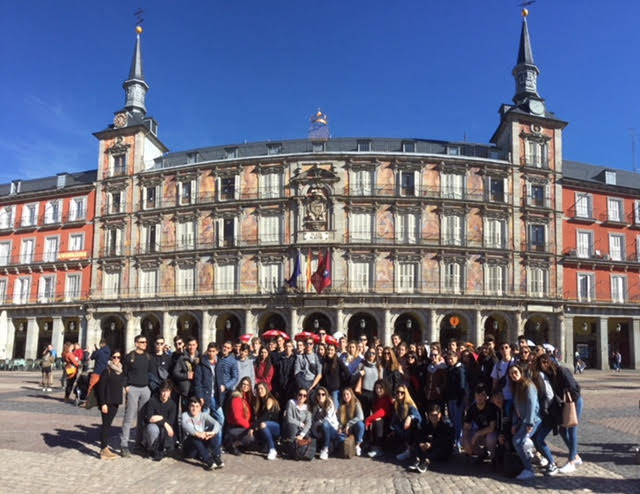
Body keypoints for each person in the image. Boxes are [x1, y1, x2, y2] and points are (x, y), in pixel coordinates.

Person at [533, 353, 583, 475]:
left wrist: (567, 397)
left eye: (544, 362)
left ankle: (572, 461)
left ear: (549, 361)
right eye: (540, 364)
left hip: (573, 402)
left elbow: (576, 389)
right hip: (564, 404)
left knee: (571, 429)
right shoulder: (548, 375)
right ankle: (575, 455)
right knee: (562, 430)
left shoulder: (562, 370)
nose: (543, 366)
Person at [120, 334, 153, 457]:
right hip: (133, 388)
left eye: (145, 342)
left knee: (143, 418)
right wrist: (126, 386)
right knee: (129, 417)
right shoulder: (130, 356)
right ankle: (124, 444)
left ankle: (139, 444)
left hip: (145, 389)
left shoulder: (148, 357)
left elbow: (151, 372)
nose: (145, 344)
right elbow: (125, 372)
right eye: (142, 342)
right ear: (136, 343)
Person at [509, 364, 541, 480]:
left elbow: (532, 405)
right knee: (518, 441)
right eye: (511, 373)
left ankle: (529, 469)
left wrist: (529, 423)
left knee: (518, 441)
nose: (513, 375)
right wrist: (514, 423)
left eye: (515, 372)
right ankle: (528, 464)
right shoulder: (517, 386)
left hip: (533, 420)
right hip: (522, 420)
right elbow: (516, 408)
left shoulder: (529, 386)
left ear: (521, 372)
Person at [96, 350, 125, 460]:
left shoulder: (120, 371)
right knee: (106, 425)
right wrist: (103, 403)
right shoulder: (106, 371)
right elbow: (101, 388)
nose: (116, 359)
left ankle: (105, 448)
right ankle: (104, 449)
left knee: (108, 424)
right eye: (114, 357)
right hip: (107, 402)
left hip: (115, 402)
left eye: (118, 357)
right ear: (111, 358)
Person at [408, 403, 454, 473]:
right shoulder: (428, 424)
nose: (433, 417)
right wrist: (421, 443)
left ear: (440, 414)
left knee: (440, 446)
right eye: (431, 415)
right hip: (431, 447)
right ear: (428, 416)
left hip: (444, 451)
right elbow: (420, 434)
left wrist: (431, 444)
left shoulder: (446, 424)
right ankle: (417, 460)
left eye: (435, 415)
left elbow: (444, 440)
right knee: (417, 440)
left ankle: (426, 462)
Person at [181, 397, 224, 470]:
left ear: (200, 408)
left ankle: (217, 457)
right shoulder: (185, 415)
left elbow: (216, 424)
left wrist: (212, 433)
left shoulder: (203, 415)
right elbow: (185, 426)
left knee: (214, 434)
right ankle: (208, 460)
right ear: (189, 407)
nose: (194, 409)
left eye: (197, 406)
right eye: (192, 406)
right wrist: (197, 433)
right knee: (194, 437)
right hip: (190, 447)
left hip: (201, 444)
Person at [462, 384, 498, 461]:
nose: (479, 397)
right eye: (477, 395)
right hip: (480, 433)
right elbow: (466, 427)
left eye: (482, 395)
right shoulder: (471, 409)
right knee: (464, 439)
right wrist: (465, 440)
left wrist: (477, 434)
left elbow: (492, 428)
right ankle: (482, 454)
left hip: (491, 433)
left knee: (491, 438)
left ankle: (494, 458)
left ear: (486, 397)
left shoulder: (491, 407)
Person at [142, 382, 177, 460]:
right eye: (163, 391)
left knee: (166, 430)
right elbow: (149, 418)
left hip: (164, 427)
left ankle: (161, 449)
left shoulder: (172, 405)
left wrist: (160, 418)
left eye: (167, 391)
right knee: (153, 429)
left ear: (170, 392)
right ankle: (151, 448)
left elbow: (170, 421)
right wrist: (164, 422)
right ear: (160, 391)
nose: (165, 394)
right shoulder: (152, 401)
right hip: (153, 426)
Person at [195, 342, 224, 425]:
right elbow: (198, 382)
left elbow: (221, 378)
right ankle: (204, 437)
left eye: (213, 351)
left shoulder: (219, 363)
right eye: (209, 351)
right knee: (204, 420)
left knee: (221, 418)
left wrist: (223, 385)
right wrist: (200, 396)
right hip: (206, 395)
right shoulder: (201, 364)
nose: (211, 353)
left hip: (216, 396)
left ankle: (217, 437)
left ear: (217, 352)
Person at [391, 384, 422, 461]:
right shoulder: (397, 404)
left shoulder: (410, 404)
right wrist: (392, 427)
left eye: (402, 392)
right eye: (398, 392)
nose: (399, 394)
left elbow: (419, 417)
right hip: (400, 430)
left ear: (406, 393)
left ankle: (409, 450)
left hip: (409, 430)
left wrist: (410, 417)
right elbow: (394, 419)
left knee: (412, 424)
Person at [225, 377, 255, 455]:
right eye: (244, 384)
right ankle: (231, 445)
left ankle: (239, 444)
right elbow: (237, 418)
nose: (245, 386)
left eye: (248, 385)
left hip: (242, 427)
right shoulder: (236, 398)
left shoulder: (246, 397)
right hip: (234, 427)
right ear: (240, 384)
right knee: (251, 437)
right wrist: (249, 427)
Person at [365, 379, 393, 458]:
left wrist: (369, 419)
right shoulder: (376, 399)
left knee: (378, 420)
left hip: (387, 422)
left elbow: (383, 412)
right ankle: (371, 443)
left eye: (380, 388)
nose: (378, 390)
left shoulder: (387, 398)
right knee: (375, 420)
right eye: (376, 388)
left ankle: (378, 448)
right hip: (380, 421)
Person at [445, 351, 467, 451]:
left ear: (456, 358)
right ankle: (455, 440)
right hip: (450, 398)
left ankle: (459, 441)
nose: (450, 361)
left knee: (458, 422)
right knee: (453, 420)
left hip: (457, 399)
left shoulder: (460, 369)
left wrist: (461, 399)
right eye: (448, 359)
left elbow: (462, 385)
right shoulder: (449, 369)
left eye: (452, 358)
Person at [254, 382, 281, 460]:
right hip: (266, 427)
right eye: (258, 389)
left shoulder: (270, 400)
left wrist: (254, 426)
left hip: (276, 427)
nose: (260, 391)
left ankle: (272, 449)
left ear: (266, 389)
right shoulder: (259, 402)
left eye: (262, 388)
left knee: (262, 424)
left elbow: (266, 417)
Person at [312, 386, 339, 460]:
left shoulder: (329, 403)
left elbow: (327, 420)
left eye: (323, 394)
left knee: (325, 423)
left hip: (332, 429)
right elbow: (313, 421)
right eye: (319, 394)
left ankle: (325, 449)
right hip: (321, 431)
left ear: (326, 395)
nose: (321, 396)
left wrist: (318, 424)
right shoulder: (315, 406)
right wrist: (316, 434)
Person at [337, 387, 365, 457]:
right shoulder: (341, 405)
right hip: (345, 429)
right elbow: (339, 420)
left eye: (347, 394)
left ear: (351, 394)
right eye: (344, 395)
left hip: (354, 426)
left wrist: (348, 424)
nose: (346, 396)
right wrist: (340, 428)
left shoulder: (356, 402)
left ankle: (357, 445)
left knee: (361, 424)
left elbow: (361, 417)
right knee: (339, 436)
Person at [172, 337, 200, 408]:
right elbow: (175, 373)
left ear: (197, 345)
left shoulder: (200, 357)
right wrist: (186, 375)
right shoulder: (182, 358)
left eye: (193, 345)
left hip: (196, 389)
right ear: (187, 345)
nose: (191, 347)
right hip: (185, 390)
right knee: (185, 411)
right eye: (190, 345)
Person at [491, 342, 515, 417]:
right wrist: (494, 395)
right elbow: (494, 382)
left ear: (510, 349)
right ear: (500, 351)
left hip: (514, 396)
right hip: (502, 397)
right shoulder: (497, 365)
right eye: (502, 348)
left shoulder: (515, 363)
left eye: (506, 347)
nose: (504, 349)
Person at [216, 341, 239, 410]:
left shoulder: (233, 361)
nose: (225, 349)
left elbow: (235, 377)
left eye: (228, 348)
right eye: (224, 347)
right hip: (216, 387)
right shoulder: (217, 357)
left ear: (231, 349)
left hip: (226, 390)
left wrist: (226, 386)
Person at [274, 339, 296, 407]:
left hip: (290, 388)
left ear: (292, 348)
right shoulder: (280, 360)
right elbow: (277, 375)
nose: (287, 348)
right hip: (280, 388)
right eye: (286, 346)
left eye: (289, 346)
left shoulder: (295, 359)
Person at [358, 349, 380, 416]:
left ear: (376, 355)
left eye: (373, 353)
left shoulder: (378, 366)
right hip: (365, 393)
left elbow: (380, 381)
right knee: (365, 415)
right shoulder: (362, 365)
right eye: (370, 353)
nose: (371, 355)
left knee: (375, 415)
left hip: (375, 393)